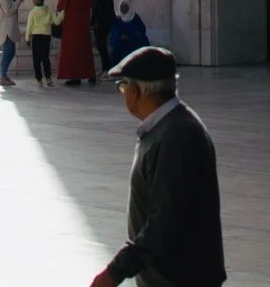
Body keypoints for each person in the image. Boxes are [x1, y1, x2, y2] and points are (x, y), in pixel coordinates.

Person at [91, 47, 225, 287]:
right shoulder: (165, 128)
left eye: (123, 86)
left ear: (139, 90)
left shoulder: (177, 136)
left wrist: (115, 272)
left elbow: (164, 221)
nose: (122, 93)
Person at [56, 0, 98, 86]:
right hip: (84, 23)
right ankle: (90, 74)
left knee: (72, 51)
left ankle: (75, 76)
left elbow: (60, 6)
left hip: (71, 25)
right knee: (85, 49)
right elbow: (92, 3)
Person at [24, 0, 59, 87]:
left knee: (36, 59)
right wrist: (62, 14)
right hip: (46, 37)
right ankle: (48, 79)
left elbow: (29, 27)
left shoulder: (33, 12)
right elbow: (56, 22)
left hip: (36, 37)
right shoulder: (49, 10)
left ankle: (39, 80)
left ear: (36, 0)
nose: (32, 0)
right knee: (45, 58)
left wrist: (27, 38)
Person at [0, 0, 23, 88]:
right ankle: (3, 75)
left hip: (9, 28)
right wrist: (18, 2)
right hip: (7, 29)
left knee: (10, 52)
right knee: (8, 52)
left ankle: (3, 74)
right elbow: (9, 11)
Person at [93, 0, 117, 73]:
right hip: (99, 22)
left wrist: (98, 21)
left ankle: (107, 69)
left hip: (103, 23)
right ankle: (105, 69)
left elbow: (104, 9)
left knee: (101, 46)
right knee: (100, 46)